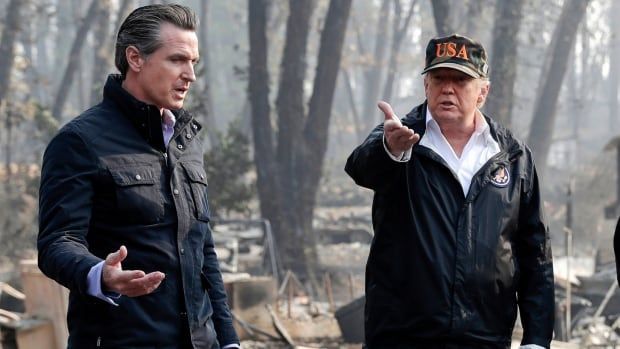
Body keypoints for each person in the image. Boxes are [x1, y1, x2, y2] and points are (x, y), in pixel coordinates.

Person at [37, 4, 239, 348]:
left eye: (194, 62)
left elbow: (202, 250)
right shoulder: (79, 141)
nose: (190, 74)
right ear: (135, 58)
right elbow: (57, 243)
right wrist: (101, 274)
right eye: (177, 59)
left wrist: (229, 339)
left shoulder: (186, 141)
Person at [345, 34, 554, 348]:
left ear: (482, 91)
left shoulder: (512, 156)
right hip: (403, 337)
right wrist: (389, 148)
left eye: (460, 80)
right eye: (439, 78)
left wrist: (537, 339)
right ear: (426, 86)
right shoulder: (400, 136)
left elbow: (534, 253)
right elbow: (361, 168)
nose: (447, 88)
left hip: (485, 337)